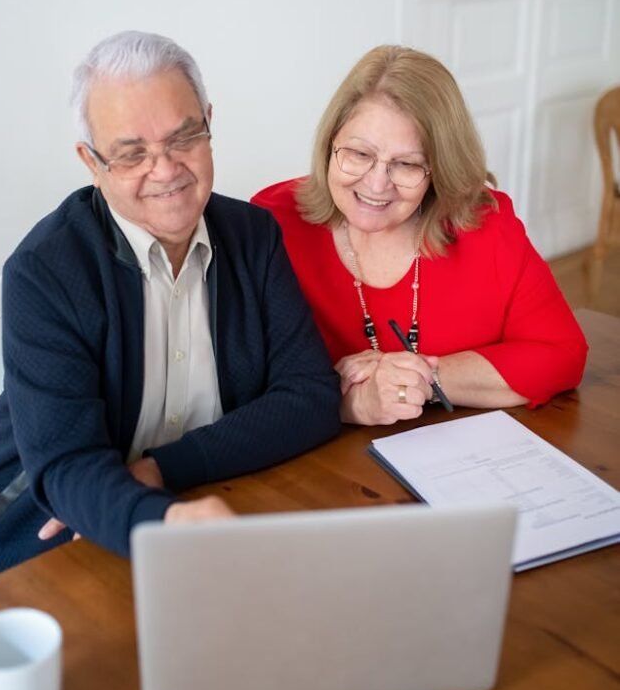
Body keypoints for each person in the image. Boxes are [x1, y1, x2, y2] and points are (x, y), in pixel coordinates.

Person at [0, 31, 340, 590]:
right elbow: (67, 468)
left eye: (184, 138)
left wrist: (164, 469)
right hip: (50, 534)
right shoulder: (46, 271)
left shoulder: (255, 237)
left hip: (203, 502)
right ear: (92, 162)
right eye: (133, 153)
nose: (165, 170)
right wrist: (166, 519)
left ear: (209, 124)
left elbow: (310, 396)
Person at [252, 45, 588, 425]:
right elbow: (244, 381)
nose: (377, 183)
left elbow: (562, 354)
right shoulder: (272, 225)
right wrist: (345, 402)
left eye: (407, 164)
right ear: (330, 144)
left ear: (439, 169)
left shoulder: (486, 225)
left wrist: (418, 378)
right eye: (359, 154)